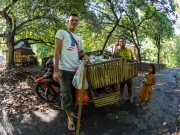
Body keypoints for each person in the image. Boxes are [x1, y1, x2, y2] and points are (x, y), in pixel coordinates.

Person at [53, 14, 89, 131]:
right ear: (67, 22)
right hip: (65, 70)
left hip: (77, 70)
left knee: (77, 95)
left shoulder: (78, 38)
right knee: (67, 95)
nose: (74, 22)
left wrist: (85, 56)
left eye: (76, 20)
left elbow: (81, 53)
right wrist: (56, 70)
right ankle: (69, 118)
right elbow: (57, 51)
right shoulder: (61, 32)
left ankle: (72, 112)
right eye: (72, 20)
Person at [113, 37, 134, 103]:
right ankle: (121, 97)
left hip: (129, 71)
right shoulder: (118, 50)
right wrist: (115, 45)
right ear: (118, 43)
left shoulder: (129, 50)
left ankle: (130, 97)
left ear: (125, 42)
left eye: (123, 41)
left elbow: (132, 59)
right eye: (120, 42)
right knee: (122, 85)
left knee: (129, 85)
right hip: (121, 71)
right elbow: (114, 54)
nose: (121, 43)